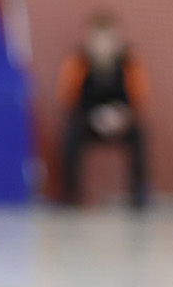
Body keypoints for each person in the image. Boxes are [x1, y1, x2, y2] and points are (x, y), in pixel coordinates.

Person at [56, 13, 149, 207]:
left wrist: (120, 116)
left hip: (121, 121)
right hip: (87, 122)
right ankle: (70, 194)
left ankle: (139, 192)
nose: (103, 45)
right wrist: (94, 117)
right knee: (70, 134)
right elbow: (67, 99)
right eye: (98, 39)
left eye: (108, 39)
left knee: (140, 133)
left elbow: (139, 99)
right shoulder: (77, 63)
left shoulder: (130, 63)